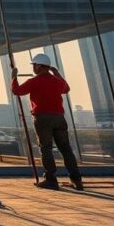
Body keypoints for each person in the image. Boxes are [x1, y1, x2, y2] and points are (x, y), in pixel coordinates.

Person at [11, 54, 84, 191]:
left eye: (34, 65)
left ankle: (51, 180)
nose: (33, 68)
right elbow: (66, 89)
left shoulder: (34, 81)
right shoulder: (57, 81)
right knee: (66, 149)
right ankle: (77, 180)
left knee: (46, 148)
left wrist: (13, 77)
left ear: (39, 66)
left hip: (43, 118)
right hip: (59, 118)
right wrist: (57, 73)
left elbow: (17, 91)